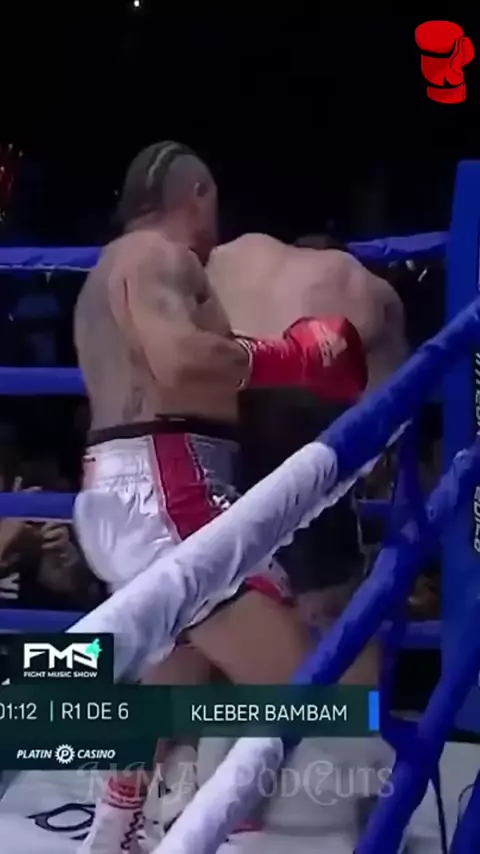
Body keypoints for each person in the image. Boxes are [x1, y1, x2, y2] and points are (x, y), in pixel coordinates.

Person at [73, 142, 368, 852]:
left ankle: (114, 826)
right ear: (197, 194)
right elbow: (178, 357)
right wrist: (295, 356)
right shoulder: (160, 256)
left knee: (174, 663)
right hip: (169, 486)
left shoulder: (106, 269)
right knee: (304, 684)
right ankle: (228, 825)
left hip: (124, 484)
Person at [207, 232, 407, 649]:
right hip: (306, 454)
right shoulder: (363, 289)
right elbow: (390, 416)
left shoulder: (231, 258)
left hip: (211, 452)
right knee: (333, 622)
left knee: (197, 617)